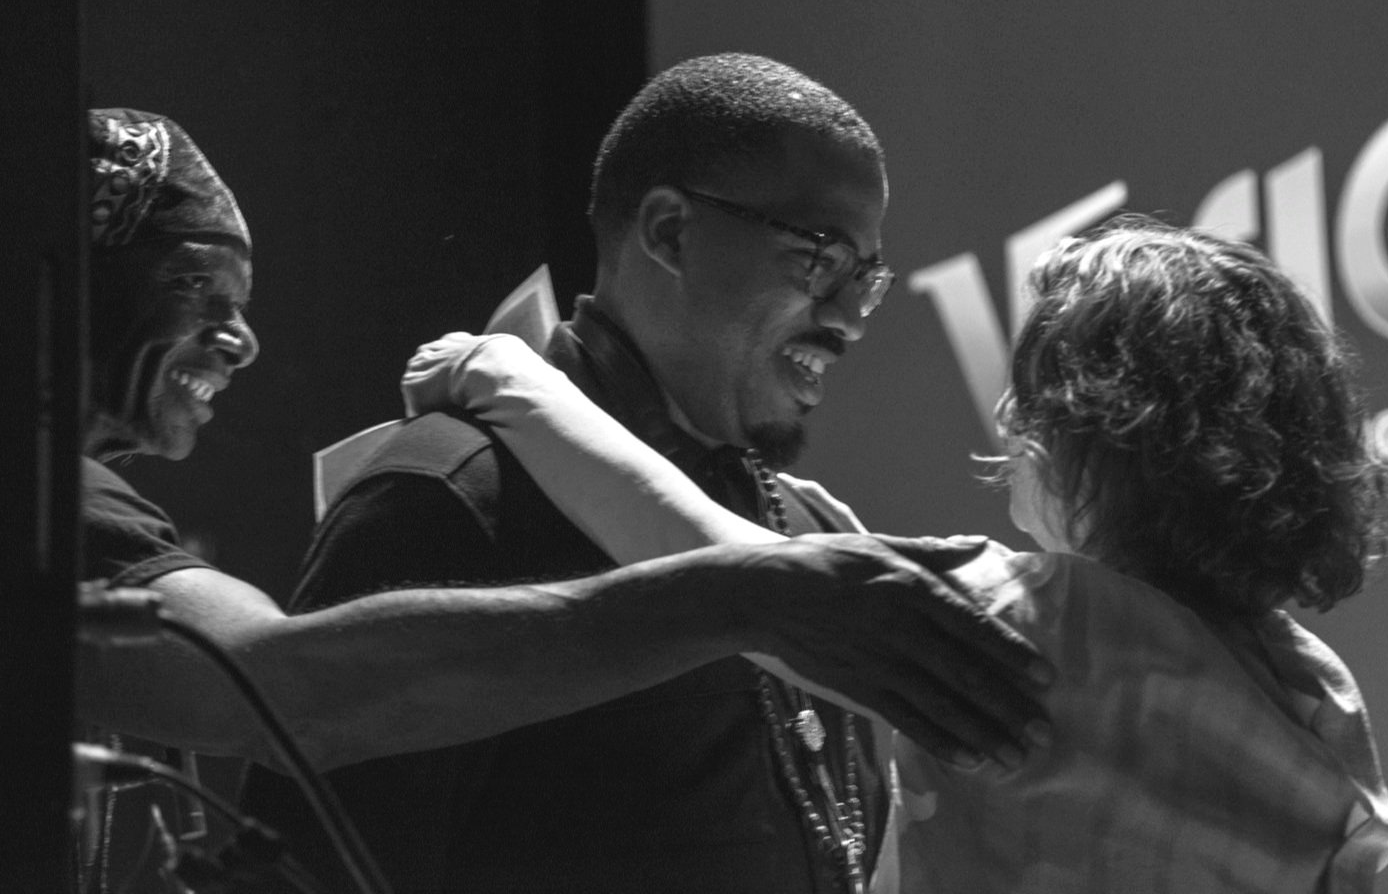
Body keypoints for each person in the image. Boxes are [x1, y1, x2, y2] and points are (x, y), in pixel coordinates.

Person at [75, 105, 1049, 888]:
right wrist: (742, 593)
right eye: (819, 258)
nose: (846, 315)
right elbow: (281, 707)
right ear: (668, 229)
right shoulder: (455, 487)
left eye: (866, 281)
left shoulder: (802, 527)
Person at [407, 214, 1388, 891]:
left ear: (1097, 429)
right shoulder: (1316, 692)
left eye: (1034, 396)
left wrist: (506, 378)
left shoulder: (1045, 620)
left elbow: (720, 569)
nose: (1012, 419)